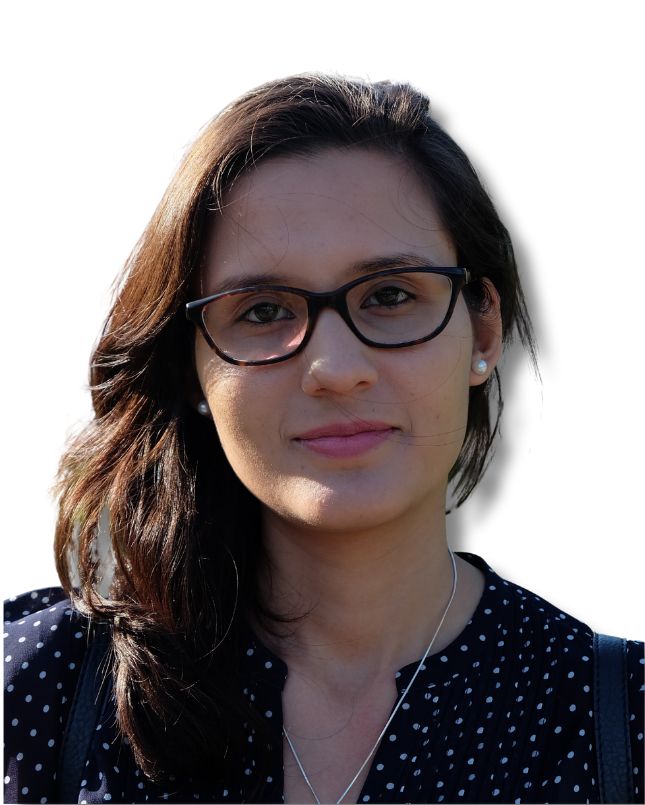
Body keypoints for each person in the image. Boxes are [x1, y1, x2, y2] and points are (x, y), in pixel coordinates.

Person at [3, 74, 643, 805]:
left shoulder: (620, 721)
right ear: (190, 365)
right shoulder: (38, 688)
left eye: (390, 295)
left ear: (484, 330)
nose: (335, 369)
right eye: (263, 310)